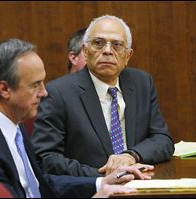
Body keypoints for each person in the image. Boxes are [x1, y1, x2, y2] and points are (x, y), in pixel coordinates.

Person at [0, 38, 153, 198]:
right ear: (4, 89)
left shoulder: (11, 124)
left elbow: (39, 184)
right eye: (35, 85)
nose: (44, 92)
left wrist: (100, 183)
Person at [31, 15, 174, 177]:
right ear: (85, 51)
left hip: (141, 183)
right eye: (98, 43)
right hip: (91, 188)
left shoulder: (142, 83)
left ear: (128, 56)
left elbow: (163, 140)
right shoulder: (58, 93)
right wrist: (103, 177)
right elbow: (46, 159)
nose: (107, 51)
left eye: (117, 45)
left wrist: (130, 155)